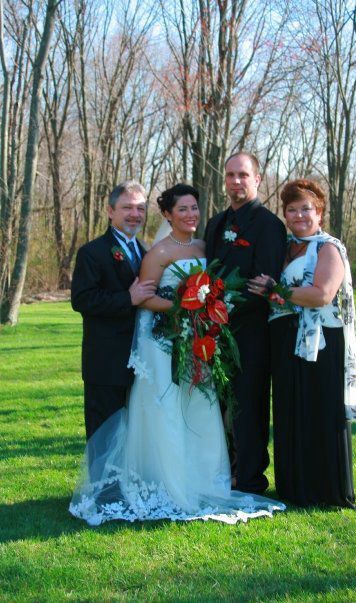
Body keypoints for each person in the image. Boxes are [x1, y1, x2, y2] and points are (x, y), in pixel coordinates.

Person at [69, 183, 285, 525]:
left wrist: (204, 313)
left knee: (200, 408)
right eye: (182, 209)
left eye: (194, 208)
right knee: (164, 409)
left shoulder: (203, 246)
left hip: (196, 341)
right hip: (163, 342)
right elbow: (145, 300)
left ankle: (203, 478)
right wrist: (184, 309)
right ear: (168, 215)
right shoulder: (154, 252)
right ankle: (156, 482)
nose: (190, 214)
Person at [248, 179, 356, 508]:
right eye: (292, 209)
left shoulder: (328, 248)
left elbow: (322, 294)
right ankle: (294, 486)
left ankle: (326, 488)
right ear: (285, 214)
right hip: (283, 338)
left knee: (319, 411)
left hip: (320, 341)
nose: (299, 215)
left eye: (306, 209)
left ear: (319, 212)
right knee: (290, 411)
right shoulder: (284, 247)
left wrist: (276, 290)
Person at [204, 152, 287, 494]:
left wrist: (223, 309)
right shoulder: (215, 223)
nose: (236, 181)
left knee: (248, 407)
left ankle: (251, 478)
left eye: (242, 175)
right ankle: (224, 472)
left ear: (257, 179)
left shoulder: (269, 225)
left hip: (251, 333)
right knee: (218, 405)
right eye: (230, 175)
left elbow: (262, 285)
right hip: (213, 333)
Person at [71, 180, 156, 440]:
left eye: (140, 208)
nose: (135, 214)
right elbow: (82, 299)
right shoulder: (92, 252)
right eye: (127, 207)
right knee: (105, 435)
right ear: (110, 211)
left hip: (144, 358)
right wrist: (127, 298)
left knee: (136, 435)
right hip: (106, 361)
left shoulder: (148, 251)